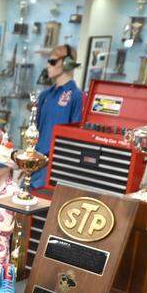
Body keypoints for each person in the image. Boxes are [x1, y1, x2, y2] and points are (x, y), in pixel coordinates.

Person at [32, 44, 84, 190]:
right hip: (36, 161)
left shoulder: (76, 96)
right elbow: (35, 129)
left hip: (56, 166)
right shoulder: (45, 95)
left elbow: (76, 135)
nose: (48, 65)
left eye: (53, 61)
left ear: (66, 63)